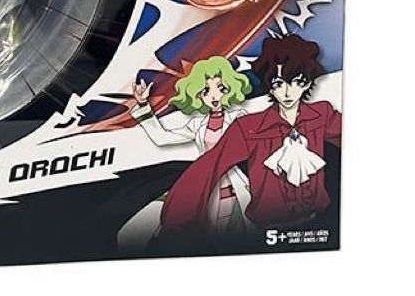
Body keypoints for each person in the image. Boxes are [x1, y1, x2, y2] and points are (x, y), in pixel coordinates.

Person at [160, 34, 341, 240]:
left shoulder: (322, 114)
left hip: (318, 226)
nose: (287, 92)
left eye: (296, 82)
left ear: (307, 83)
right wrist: (178, 219)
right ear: (269, 85)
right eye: (278, 83)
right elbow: (209, 166)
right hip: (266, 231)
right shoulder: (249, 127)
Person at [132, 56, 254, 241]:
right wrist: (143, 105)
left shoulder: (238, 117)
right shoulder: (197, 124)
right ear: (197, 95)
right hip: (202, 186)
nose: (214, 96)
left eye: (221, 88)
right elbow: (163, 137)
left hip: (232, 187)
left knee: (229, 238)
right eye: (206, 91)